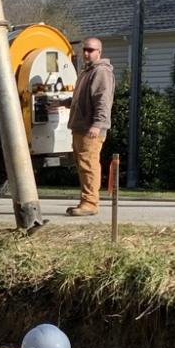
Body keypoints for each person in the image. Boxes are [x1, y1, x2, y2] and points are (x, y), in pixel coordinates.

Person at [67, 36, 115, 217]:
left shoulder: (101, 71)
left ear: (99, 52)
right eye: (85, 49)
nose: (86, 53)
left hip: (90, 128)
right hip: (80, 127)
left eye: (91, 50)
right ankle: (86, 200)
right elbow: (81, 100)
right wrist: (64, 102)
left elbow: (103, 100)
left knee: (89, 164)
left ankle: (90, 203)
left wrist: (97, 124)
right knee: (83, 165)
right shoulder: (87, 71)